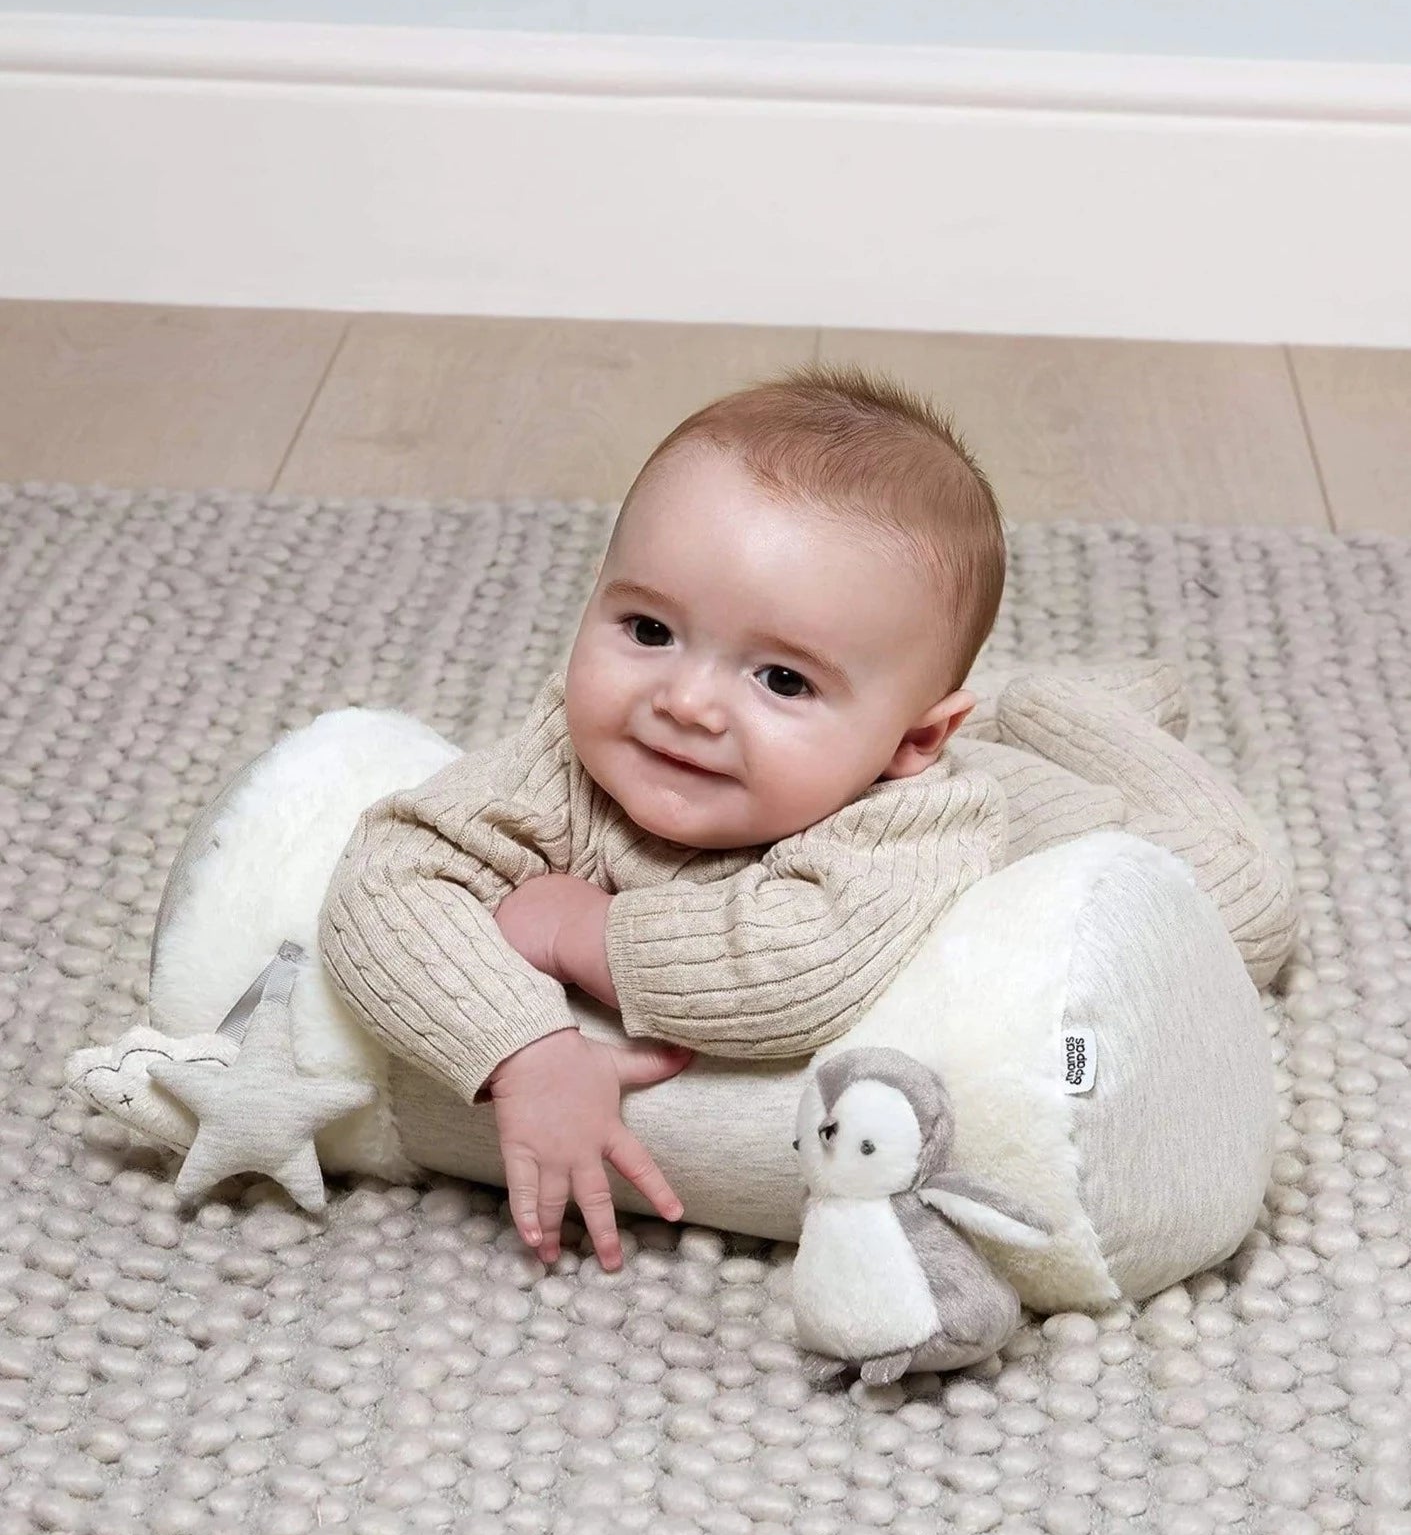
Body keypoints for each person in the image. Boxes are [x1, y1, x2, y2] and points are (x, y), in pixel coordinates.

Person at [317, 362, 1297, 1274]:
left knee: (1244, 910)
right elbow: (385, 878)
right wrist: (521, 1047)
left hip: (1058, 820)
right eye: (648, 628)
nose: (687, 701)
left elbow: (791, 970)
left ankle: (1064, 715)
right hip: (903, 728)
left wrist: (580, 929)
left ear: (912, 745)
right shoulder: (569, 748)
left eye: (781, 677)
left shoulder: (914, 816)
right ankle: (982, 706)